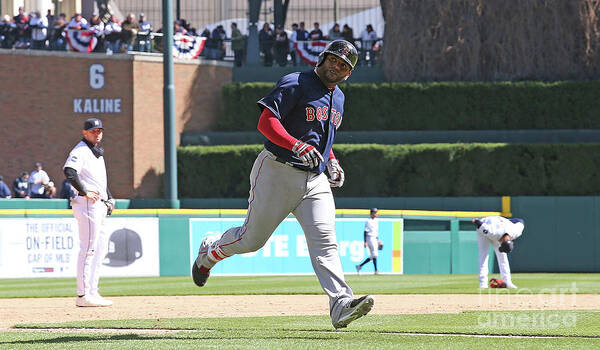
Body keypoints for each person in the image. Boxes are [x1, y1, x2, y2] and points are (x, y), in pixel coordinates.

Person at [191, 40, 372, 329]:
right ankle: (211, 250)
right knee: (252, 240)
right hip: (277, 169)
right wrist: (295, 145)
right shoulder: (296, 82)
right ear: (322, 58)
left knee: (326, 243)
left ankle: (340, 304)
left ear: (348, 74)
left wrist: (332, 161)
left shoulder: (338, 98)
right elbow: (266, 123)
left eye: (343, 66)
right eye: (334, 60)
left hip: (314, 180)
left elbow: (320, 139)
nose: (336, 67)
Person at [63, 117, 115, 307]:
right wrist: (84, 190)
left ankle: (93, 291)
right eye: (93, 131)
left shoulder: (96, 152)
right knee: (88, 249)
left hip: (98, 204)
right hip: (87, 204)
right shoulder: (81, 150)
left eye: (100, 130)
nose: (97, 133)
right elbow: (69, 171)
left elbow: (99, 182)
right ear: (85, 133)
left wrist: (108, 198)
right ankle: (82, 295)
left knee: (100, 249)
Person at [472, 216, 524, 289]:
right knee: (484, 254)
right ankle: (483, 283)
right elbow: (478, 223)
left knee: (502, 256)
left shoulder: (516, 231)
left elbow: (520, 220)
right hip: (485, 224)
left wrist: (506, 221)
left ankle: (507, 282)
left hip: (496, 226)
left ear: (512, 242)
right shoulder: (492, 232)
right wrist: (476, 221)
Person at [356, 208, 380, 274]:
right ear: (371, 213)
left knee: (373, 256)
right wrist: (365, 241)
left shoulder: (376, 221)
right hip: (370, 238)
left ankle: (359, 266)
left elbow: (376, 232)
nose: (376, 214)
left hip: (375, 238)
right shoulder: (368, 221)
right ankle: (376, 270)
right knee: (375, 254)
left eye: (376, 212)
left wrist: (378, 240)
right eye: (374, 212)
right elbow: (365, 231)